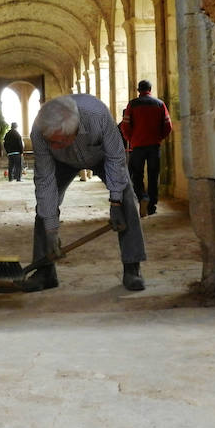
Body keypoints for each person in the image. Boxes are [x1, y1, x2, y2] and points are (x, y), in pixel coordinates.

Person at [23, 94, 147, 293]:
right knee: (44, 209)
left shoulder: (97, 115)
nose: (53, 146)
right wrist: (51, 229)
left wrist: (115, 203)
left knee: (127, 200)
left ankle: (132, 268)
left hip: (101, 157)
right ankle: (44, 272)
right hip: (61, 163)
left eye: (59, 141)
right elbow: (45, 181)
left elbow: (116, 159)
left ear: (75, 130)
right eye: (50, 142)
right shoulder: (39, 132)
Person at [120, 79, 172, 217]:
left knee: (136, 175)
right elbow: (168, 126)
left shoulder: (132, 105)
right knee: (153, 175)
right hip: (154, 146)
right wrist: (159, 137)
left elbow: (125, 125)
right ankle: (151, 207)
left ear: (139, 90)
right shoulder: (160, 104)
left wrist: (131, 139)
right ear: (150, 89)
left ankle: (142, 196)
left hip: (137, 146)